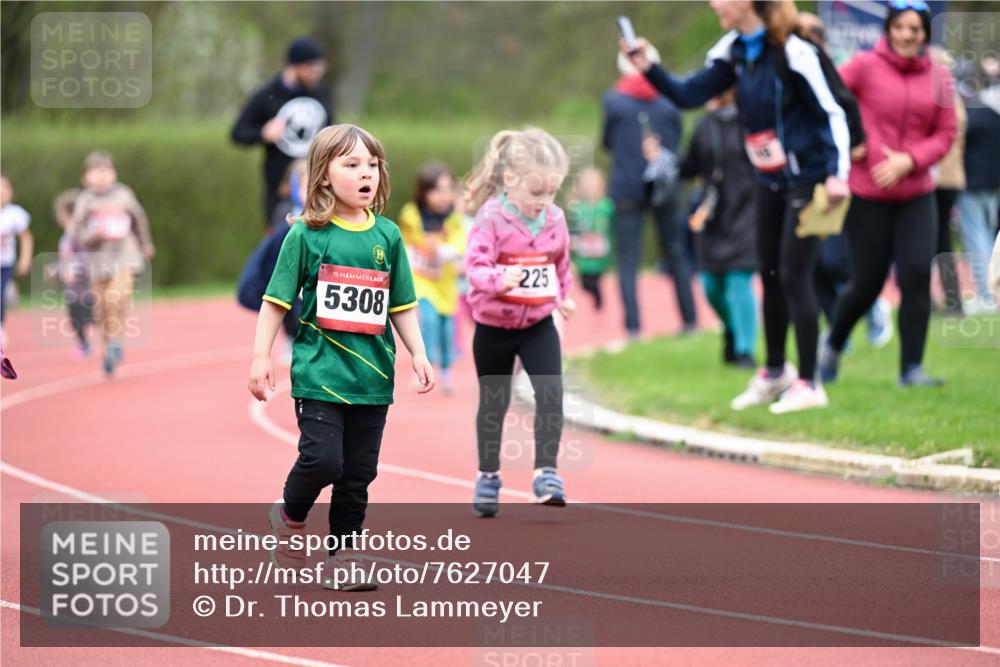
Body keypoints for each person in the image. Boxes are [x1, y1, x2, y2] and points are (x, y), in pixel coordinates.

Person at [623, 0, 852, 413]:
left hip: (809, 177)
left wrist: (839, 173)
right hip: (769, 178)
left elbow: (833, 112)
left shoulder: (796, 51)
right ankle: (775, 371)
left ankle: (809, 382)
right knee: (769, 272)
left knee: (795, 275)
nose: (714, 5)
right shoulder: (733, 51)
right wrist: (648, 67)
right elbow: (689, 94)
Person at [249, 124, 434, 591]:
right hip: (319, 373)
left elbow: (402, 305)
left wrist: (420, 353)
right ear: (325, 176)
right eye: (351, 164)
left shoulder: (388, 236)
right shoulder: (307, 235)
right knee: (323, 460)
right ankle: (290, 515)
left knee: (358, 474)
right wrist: (261, 356)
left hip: (372, 379)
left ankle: (343, 556)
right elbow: (275, 300)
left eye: (371, 164)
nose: (365, 173)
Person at [820, 1, 957, 387]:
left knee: (916, 278)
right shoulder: (864, 66)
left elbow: (945, 133)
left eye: (916, 29)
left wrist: (909, 160)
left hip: (916, 193)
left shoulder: (940, 77)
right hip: (869, 194)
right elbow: (829, 99)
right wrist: (851, 141)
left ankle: (911, 369)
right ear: (889, 29)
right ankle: (831, 346)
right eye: (901, 27)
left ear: (925, 34)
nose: (908, 35)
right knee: (867, 283)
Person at [464, 128, 575, 517]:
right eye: (536, 193)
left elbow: (560, 265)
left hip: (538, 324)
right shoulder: (490, 218)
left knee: (551, 394)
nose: (543, 202)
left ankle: (547, 473)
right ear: (510, 180)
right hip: (494, 327)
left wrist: (563, 296)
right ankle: (488, 475)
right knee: (495, 402)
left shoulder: (555, 219)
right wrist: (498, 280)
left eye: (551, 193)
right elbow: (474, 267)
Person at [601, 44, 697, 338]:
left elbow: (607, 142)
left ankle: (633, 327)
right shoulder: (669, 102)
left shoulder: (613, 102)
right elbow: (678, 141)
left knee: (628, 256)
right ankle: (690, 321)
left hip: (627, 185)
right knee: (676, 253)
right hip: (665, 185)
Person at [679, 88, 759, 368]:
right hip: (712, 214)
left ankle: (745, 351)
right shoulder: (704, 124)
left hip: (747, 210)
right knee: (710, 285)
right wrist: (662, 159)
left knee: (739, 279)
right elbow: (688, 167)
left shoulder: (752, 119)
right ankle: (733, 328)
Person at [68, 152, 155, 377]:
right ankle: (109, 350)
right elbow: (76, 232)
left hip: (126, 256)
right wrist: (93, 234)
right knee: (101, 309)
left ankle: (116, 342)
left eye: (106, 170)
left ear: (114, 173)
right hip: (98, 262)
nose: (101, 175)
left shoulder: (124, 194)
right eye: (95, 171)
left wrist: (146, 243)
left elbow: (139, 219)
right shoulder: (85, 200)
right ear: (85, 177)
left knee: (115, 296)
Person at [231, 36, 332, 227]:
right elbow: (237, 133)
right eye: (312, 66)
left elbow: (330, 127)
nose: (317, 72)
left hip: (317, 184)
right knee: (280, 244)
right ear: (295, 65)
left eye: (320, 66)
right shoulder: (267, 95)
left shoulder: (321, 92)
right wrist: (262, 133)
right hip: (279, 189)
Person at [397, 162, 467, 394]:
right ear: (424, 191)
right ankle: (424, 370)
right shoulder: (411, 214)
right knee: (428, 320)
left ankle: (447, 372)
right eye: (436, 190)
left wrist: (443, 250)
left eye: (448, 190)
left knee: (447, 330)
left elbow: (459, 246)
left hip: (446, 284)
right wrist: (408, 257)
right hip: (421, 280)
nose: (443, 196)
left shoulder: (454, 219)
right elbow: (403, 241)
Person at [236, 160, 308, 364]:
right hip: (284, 273)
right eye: (305, 186)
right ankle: (291, 337)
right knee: (288, 303)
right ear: (295, 188)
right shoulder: (286, 216)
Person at [955, 77, 1000, 315]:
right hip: (994, 184)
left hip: (972, 183)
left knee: (976, 239)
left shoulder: (979, 112)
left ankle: (987, 296)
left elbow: (962, 137)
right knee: (990, 238)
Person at [929, 47, 967, 317]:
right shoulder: (955, 99)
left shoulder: (935, 99)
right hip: (952, 179)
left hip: (934, 178)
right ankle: (952, 301)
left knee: (928, 241)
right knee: (942, 242)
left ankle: (928, 299)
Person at [53, 188, 94, 359]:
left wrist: (73, 270)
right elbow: (65, 259)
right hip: (72, 288)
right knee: (74, 318)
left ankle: (104, 340)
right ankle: (84, 344)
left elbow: (85, 257)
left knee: (90, 314)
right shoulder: (67, 234)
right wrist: (57, 270)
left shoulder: (78, 233)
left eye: (60, 213)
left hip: (85, 285)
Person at [566, 167, 613, 312]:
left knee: (595, 281)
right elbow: (573, 227)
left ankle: (598, 297)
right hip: (584, 255)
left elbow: (612, 227)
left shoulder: (606, 205)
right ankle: (595, 294)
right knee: (585, 284)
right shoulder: (578, 207)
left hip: (600, 255)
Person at [0, 175, 33, 348]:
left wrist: (25, 260)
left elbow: (26, 238)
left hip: (5, 263)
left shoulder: (14, 214)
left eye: (5, 187)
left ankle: (1, 328)